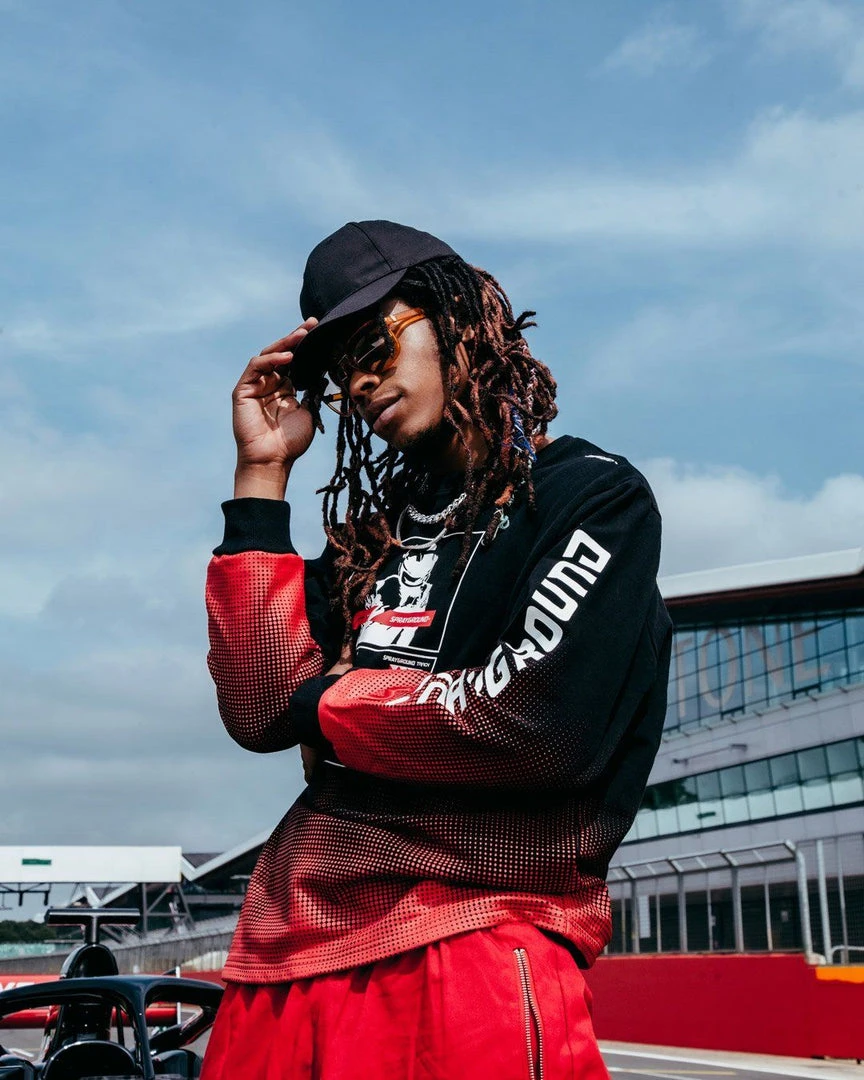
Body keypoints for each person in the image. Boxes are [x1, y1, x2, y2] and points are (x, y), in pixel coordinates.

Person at [202, 221, 672, 1079]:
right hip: (282, 957)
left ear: (459, 317)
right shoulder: (367, 540)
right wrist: (261, 477)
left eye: (373, 345)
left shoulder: (591, 497)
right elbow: (259, 709)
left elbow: (533, 724)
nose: (359, 381)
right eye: (340, 373)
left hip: (473, 938)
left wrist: (328, 705)